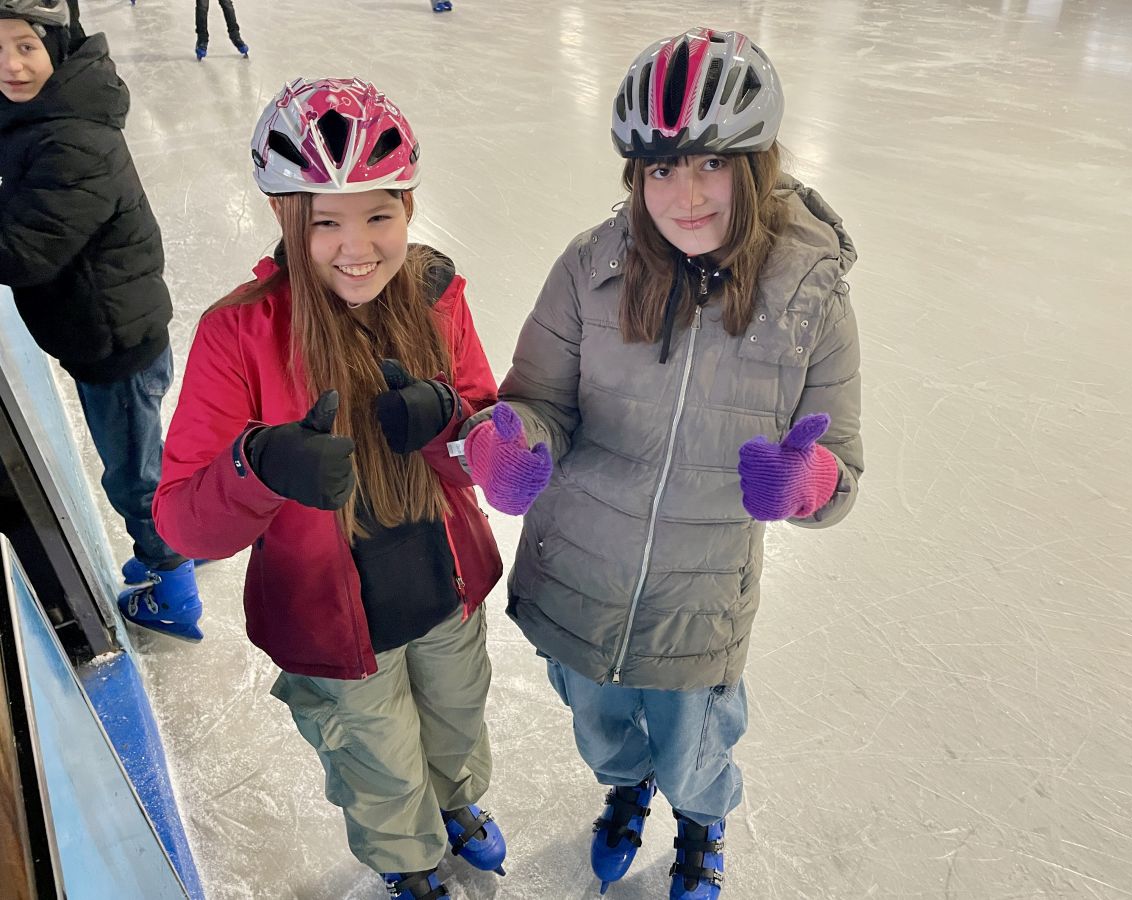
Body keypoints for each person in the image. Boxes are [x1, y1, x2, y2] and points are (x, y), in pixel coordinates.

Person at [462, 27, 864, 899]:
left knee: (697, 750)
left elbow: (842, 466)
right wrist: (511, 443)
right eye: (661, 168)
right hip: (582, 573)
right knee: (601, 730)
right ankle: (625, 786)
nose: (685, 195)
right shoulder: (590, 269)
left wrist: (809, 483)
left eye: (712, 164)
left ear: (754, 165)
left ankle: (701, 818)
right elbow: (537, 400)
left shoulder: (809, 298)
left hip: (697, 596)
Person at [152, 76, 507, 900]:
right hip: (334, 615)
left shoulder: (436, 295)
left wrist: (454, 422)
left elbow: (492, 439)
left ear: (407, 208)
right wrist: (258, 466)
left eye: (378, 215)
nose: (358, 247)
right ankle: (409, 858)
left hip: (446, 587)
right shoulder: (240, 332)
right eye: (326, 222)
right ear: (288, 220)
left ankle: (454, 802)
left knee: (457, 717)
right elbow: (180, 522)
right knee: (377, 759)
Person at [0, 0, 203, 642]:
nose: (11, 65)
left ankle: (174, 588)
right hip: (113, 325)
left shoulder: (72, 139)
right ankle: (177, 537)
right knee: (144, 457)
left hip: (114, 341)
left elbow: (24, 252)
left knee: (133, 477)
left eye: (26, 46)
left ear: (56, 46)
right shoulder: (48, 111)